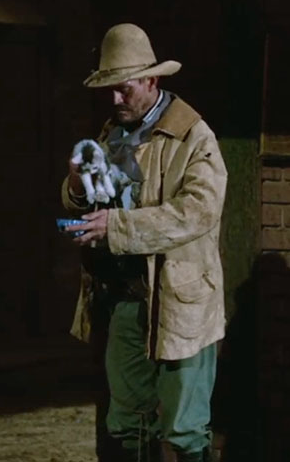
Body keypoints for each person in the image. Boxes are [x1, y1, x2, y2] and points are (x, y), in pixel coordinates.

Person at [61, 23, 227, 462]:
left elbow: (198, 212)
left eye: (124, 89)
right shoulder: (112, 134)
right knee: (127, 420)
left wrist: (116, 227)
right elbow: (95, 197)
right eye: (109, 91)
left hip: (180, 303)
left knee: (185, 429)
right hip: (126, 298)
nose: (115, 100)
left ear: (152, 80)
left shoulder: (193, 136)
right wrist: (78, 184)